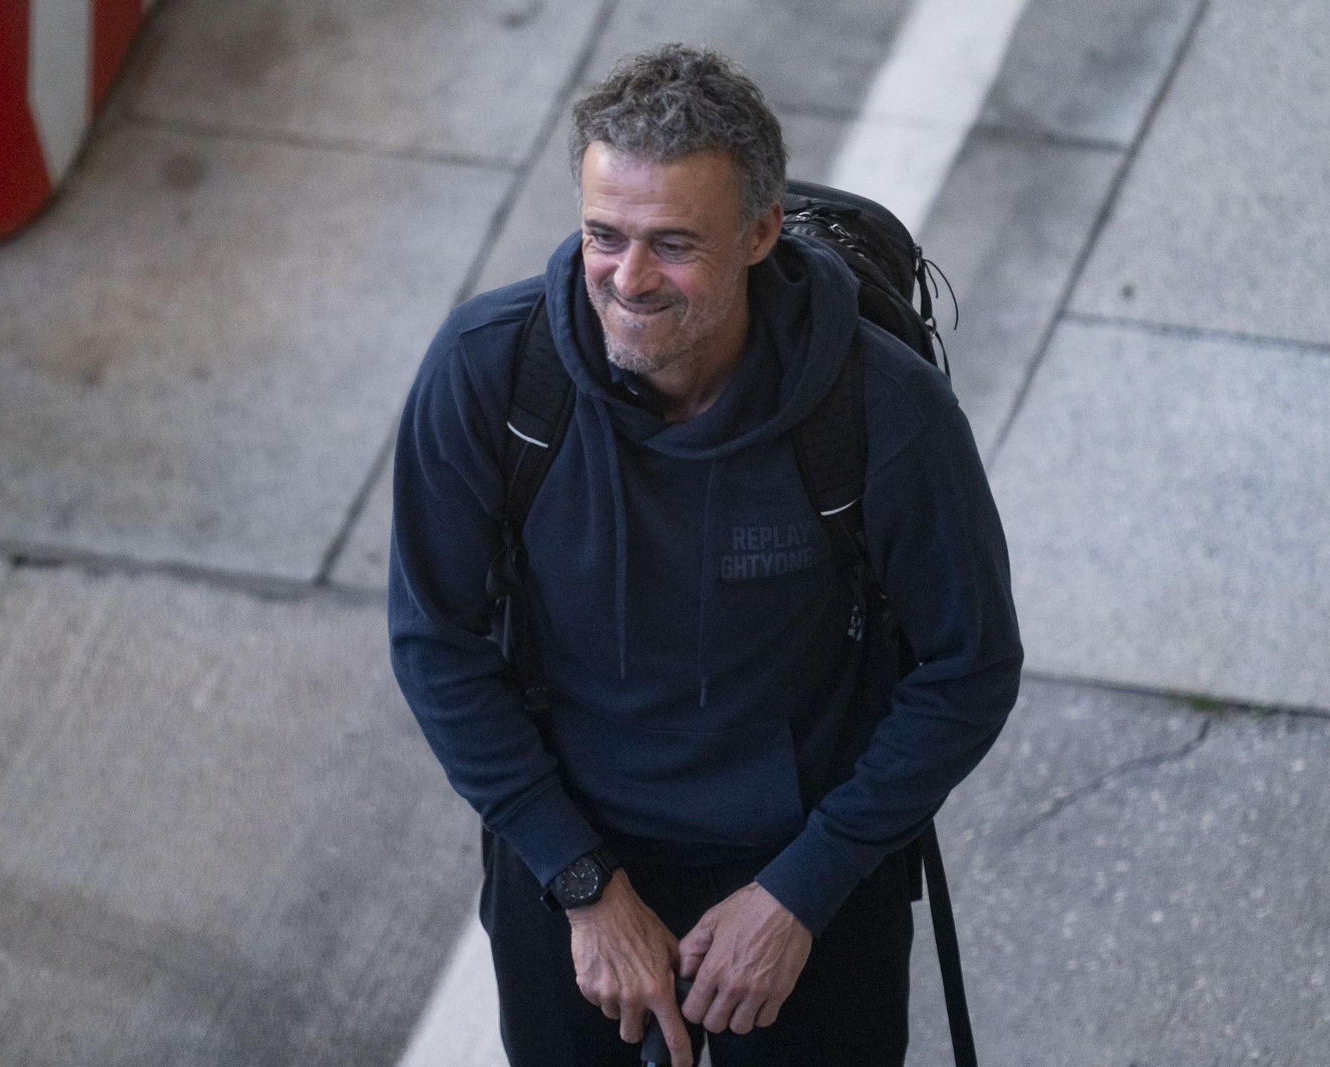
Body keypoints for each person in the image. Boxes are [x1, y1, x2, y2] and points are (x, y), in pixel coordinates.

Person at [389, 43, 1022, 1067]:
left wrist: (804, 889)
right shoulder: (489, 376)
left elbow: (968, 665)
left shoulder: (883, 409)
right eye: (604, 234)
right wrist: (583, 885)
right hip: (568, 850)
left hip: (802, 867)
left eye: (673, 243)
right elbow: (435, 644)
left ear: (761, 232)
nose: (627, 280)